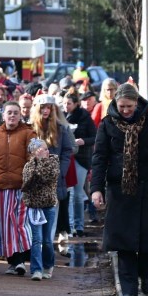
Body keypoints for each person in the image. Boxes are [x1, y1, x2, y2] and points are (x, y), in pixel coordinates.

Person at [91, 83, 148, 296]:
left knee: (146, 240)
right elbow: (99, 158)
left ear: (137, 103)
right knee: (123, 242)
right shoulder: (107, 124)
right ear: (116, 103)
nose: (125, 110)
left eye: (129, 106)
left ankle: (146, 276)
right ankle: (128, 288)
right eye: (122, 106)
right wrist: (96, 189)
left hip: (147, 187)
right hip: (119, 189)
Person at [0, 101, 36, 276]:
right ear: (3, 115)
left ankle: (23, 259)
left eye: (15, 113)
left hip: (23, 187)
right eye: (9, 112)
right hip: (2, 188)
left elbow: (33, 160)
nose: (12, 116)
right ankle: (14, 262)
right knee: (5, 226)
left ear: (20, 115)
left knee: (20, 224)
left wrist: (30, 183)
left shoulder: (28, 133)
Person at [27, 94, 73, 278]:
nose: (46, 111)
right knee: (35, 233)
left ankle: (47, 264)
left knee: (48, 232)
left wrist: (59, 171)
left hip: (54, 183)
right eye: (42, 107)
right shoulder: (30, 128)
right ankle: (36, 268)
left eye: (49, 107)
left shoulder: (61, 129)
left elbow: (68, 151)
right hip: (34, 184)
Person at [21, 138, 60, 281]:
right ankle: (36, 270)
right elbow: (28, 183)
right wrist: (36, 162)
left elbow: (47, 177)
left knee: (47, 240)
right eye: (44, 149)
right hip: (34, 207)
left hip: (48, 206)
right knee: (36, 240)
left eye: (47, 149)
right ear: (34, 152)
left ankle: (48, 265)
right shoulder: (28, 165)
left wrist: (41, 161)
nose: (47, 151)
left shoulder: (53, 162)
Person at [64, 90, 96, 237]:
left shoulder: (85, 117)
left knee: (77, 193)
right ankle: (69, 226)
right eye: (64, 103)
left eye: (69, 103)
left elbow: (94, 137)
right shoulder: (61, 116)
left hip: (81, 158)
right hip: (66, 157)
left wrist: (83, 141)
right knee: (69, 193)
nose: (66, 106)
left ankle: (79, 225)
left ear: (76, 104)